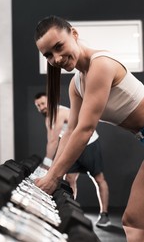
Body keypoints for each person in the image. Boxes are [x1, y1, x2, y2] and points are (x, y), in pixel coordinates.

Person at [33, 15, 144, 241]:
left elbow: (85, 129)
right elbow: (70, 131)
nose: (57, 58)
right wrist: (51, 174)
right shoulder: (77, 83)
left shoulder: (100, 64)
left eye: (58, 46)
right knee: (135, 223)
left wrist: (53, 177)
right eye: (48, 55)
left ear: (74, 34)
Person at [34, 92, 111, 227]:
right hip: (72, 146)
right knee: (69, 179)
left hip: (89, 144)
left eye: (43, 103)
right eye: (38, 105)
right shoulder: (48, 118)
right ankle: (70, 211)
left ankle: (104, 214)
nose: (41, 107)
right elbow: (52, 141)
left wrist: (47, 164)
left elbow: (53, 142)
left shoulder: (59, 113)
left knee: (98, 179)